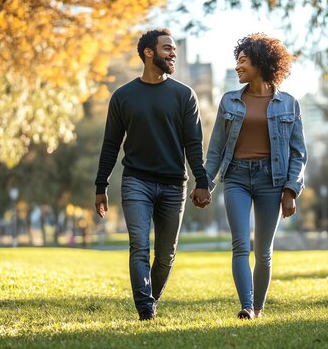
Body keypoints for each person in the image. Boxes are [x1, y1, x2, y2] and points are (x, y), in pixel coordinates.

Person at [94, 29, 211, 321]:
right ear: (149, 52)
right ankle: (145, 310)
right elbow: (111, 144)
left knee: (165, 255)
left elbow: (193, 144)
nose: (173, 53)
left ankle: (151, 299)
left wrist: (202, 181)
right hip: (136, 182)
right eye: (167, 48)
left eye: (174, 49)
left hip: (174, 185)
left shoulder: (185, 95)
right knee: (139, 247)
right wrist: (101, 185)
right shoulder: (122, 97)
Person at [202, 33, 307, 320]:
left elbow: (298, 154)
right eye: (236, 61)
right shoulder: (229, 101)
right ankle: (246, 306)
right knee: (240, 244)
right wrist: (205, 184)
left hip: (271, 181)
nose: (237, 66)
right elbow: (216, 150)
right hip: (236, 177)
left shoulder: (288, 104)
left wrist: (291, 190)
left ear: (260, 63)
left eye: (243, 61)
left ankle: (258, 309)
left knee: (263, 251)